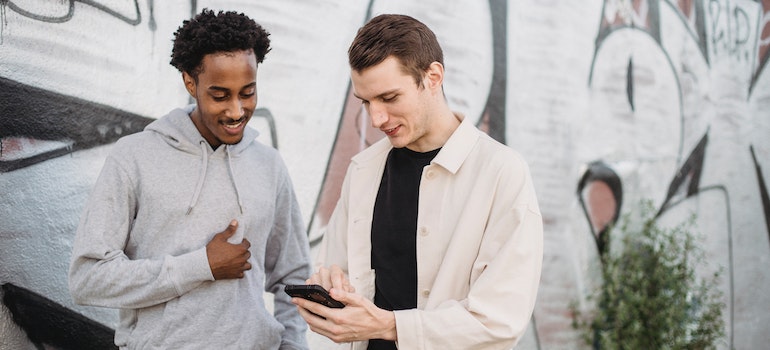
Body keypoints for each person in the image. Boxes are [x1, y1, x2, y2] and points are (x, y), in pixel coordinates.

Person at [291, 14, 544, 350]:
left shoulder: (502, 172)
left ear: (433, 77)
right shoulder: (363, 170)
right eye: (366, 102)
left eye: (389, 98)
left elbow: (499, 321)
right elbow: (335, 268)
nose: (376, 118)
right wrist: (330, 286)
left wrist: (390, 326)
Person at [68, 9, 311, 350]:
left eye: (247, 93)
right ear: (190, 82)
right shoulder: (134, 157)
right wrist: (201, 266)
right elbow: (88, 279)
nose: (237, 111)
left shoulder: (269, 165)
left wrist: (293, 345)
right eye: (220, 95)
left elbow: (294, 276)